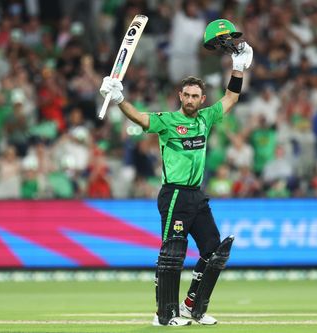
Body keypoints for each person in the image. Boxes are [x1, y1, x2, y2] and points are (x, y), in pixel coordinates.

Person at [100, 41, 253, 326]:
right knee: (172, 253)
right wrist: (120, 99)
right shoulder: (168, 122)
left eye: (196, 96)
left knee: (213, 250)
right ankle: (164, 315)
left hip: (196, 195)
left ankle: (192, 307)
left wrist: (239, 67)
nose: (191, 99)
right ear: (179, 96)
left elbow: (231, 98)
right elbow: (140, 117)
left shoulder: (206, 119)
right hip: (174, 195)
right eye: (187, 95)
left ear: (202, 99)